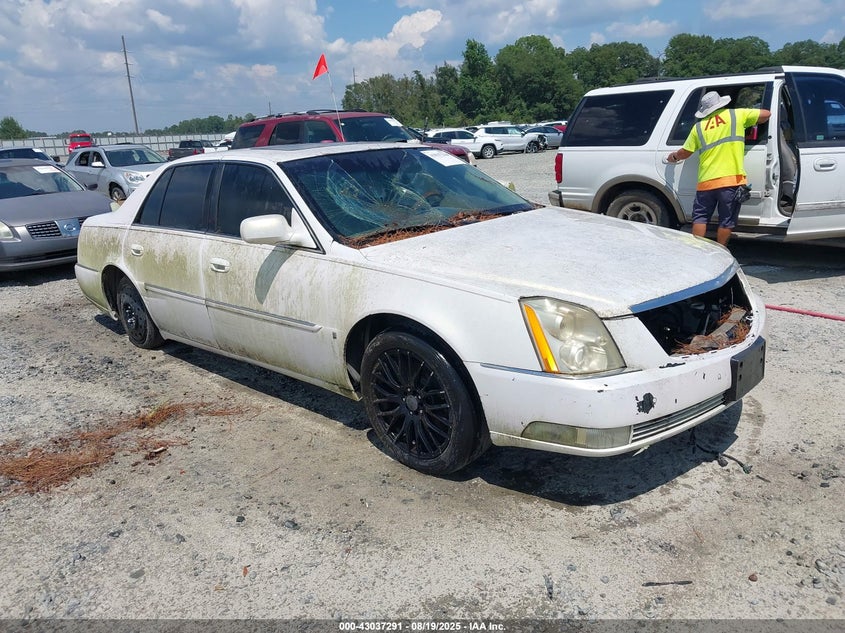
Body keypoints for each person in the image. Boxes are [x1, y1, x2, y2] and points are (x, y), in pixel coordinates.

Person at [667, 91, 771, 245]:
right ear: (721, 103)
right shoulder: (735, 115)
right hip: (731, 180)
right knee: (726, 220)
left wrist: (674, 156)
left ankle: (697, 250)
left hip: (706, 181)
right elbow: (766, 114)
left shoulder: (699, 127)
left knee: (700, 218)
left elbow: (685, 153)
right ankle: (721, 250)